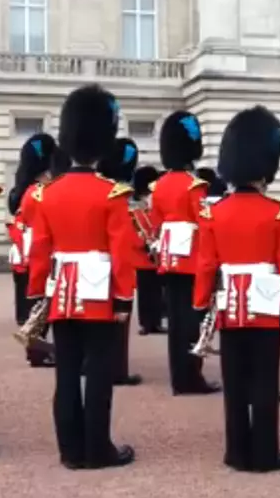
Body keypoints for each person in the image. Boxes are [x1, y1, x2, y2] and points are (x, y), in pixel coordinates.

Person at [26, 84, 137, 470]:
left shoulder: (47, 194)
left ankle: (70, 450)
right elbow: (121, 253)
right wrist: (124, 299)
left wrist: (39, 293)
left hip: (61, 293)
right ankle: (98, 448)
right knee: (100, 373)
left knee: (67, 371)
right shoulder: (111, 194)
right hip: (99, 294)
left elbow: (40, 249)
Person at [192, 106, 280, 472]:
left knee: (234, 380)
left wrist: (201, 302)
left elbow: (206, 264)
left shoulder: (213, 213)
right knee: (265, 380)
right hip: (267, 305)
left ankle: (237, 451)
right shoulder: (278, 212)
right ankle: (265, 453)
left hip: (230, 305)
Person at [151, 111, 221, 395]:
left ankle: (179, 377)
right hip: (192, 258)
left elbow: (156, 225)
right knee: (192, 320)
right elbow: (205, 226)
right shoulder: (195, 185)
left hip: (169, 258)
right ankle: (191, 377)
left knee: (176, 322)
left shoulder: (159, 186)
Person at [97, 138, 145, 387]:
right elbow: (122, 244)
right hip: (110, 268)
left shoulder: (98, 189)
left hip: (78, 269)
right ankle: (116, 369)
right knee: (116, 324)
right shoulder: (117, 197)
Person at [8, 133, 58, 368]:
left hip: (33, 252)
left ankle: (37, 351)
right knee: (43, 307)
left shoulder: (30, 192)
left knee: (39, 305)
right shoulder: (41, 192)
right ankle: (37, 351)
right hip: (44, 253)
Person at [131, 165, 166, 335]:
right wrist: (143, 243)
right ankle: (145, 322)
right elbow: (133, 230)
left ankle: (156, 321)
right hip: (143, 256)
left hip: (156, 254)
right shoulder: (134, 207)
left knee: (156, 291)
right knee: (145, 292)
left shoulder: (153, 204)